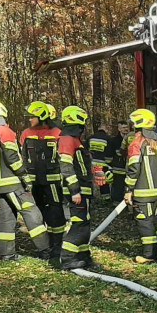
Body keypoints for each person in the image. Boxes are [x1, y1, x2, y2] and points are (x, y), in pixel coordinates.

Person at [0, 99, 49, 261]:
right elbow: (12, 157)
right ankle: (45, 250)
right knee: (32, 213)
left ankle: (7, 254)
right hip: (13, 182)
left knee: (7, 218)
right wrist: (24, 176)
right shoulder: (4, 131)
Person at [124, 108, 157, 264]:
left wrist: (128, 190)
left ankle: (149, 255)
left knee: (144, 221)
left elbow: (133, 170)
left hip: (142, 191)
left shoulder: (137, 143)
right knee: (155, 218)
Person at [20, 101, 66, 264]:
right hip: (34, 182)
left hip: (53, 181)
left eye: (32, 117)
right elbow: (23, 156)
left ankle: (57, 244)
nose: (29, 120)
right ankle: (46, 245)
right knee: (39, 213)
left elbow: (64, 157)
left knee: (56, 211)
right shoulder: (26, 133)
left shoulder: (57, 132)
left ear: (41, 117)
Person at [57, 106, 98, 269]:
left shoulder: (74, 139)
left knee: (84, 223)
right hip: (76, 191)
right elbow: (66, 166)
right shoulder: (67, 139)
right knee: (78, 223)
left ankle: (83, 255)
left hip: (83, 189)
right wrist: (74, 190)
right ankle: (67, 258)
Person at [88, 123, 114, 200]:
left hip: (91, 164)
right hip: (102, 164)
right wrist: (110, 163)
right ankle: (105, 198)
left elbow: (85, 149)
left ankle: (90, 197)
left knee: (90, 181)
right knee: (103, 181)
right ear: (105, 130)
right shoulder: (108, 138)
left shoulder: (91, 137)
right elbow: (109, 153)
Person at [109, 120, 130, 202]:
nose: (126, 129)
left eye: (127, 127)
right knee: (118, 186)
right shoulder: (114, 141)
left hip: (129, 168)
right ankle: (116, 202)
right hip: (118, 168)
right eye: (123, 127)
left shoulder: (132, 138)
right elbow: (110, 154)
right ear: (119, 129)